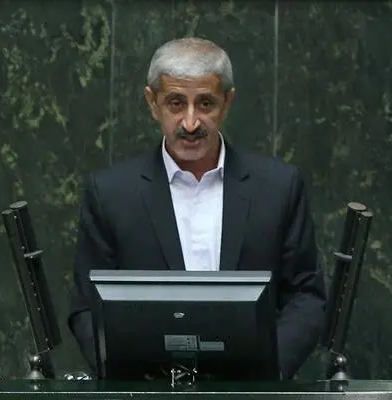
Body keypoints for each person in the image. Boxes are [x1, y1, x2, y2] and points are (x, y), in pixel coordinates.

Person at [68, 37, 327, 379]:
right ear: (152, 103)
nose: (190, 123)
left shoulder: (278, 188)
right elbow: (87, 307)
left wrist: (264, 371)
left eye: (205, 103)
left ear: (227, 102)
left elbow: (306, 295)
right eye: (176, 103)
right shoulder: (111, 194)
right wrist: (134, 379)